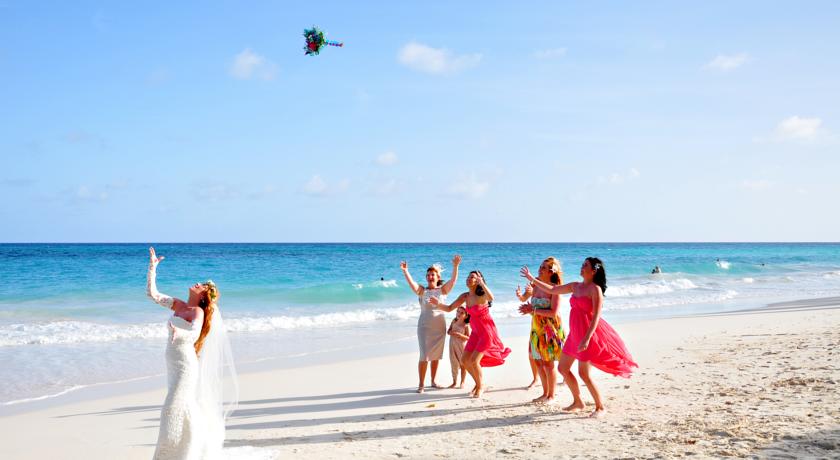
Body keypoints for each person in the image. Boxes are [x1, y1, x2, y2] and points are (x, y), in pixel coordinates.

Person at [146, 247, 238, 459]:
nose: (198, 284)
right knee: (184, 409)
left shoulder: (196, 312)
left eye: (202, 286)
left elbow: (194, 333)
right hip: (172, 363)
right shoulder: (178, 305)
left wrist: (178, 333)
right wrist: (153, 268)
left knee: (171, 409)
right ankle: (191, 452)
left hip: (186, 366)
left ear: (204, 296)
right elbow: (152, 295)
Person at [521, 257, 637, 417]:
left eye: (585, 266)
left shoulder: (595, 290)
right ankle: (578, 401)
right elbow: (553, 290)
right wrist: (532, 279)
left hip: (587, 335)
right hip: (574, 336)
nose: (582, 267)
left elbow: (596, 316)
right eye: (582, 264)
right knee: (563, 368)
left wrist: (587, 338)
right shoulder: (575, 286)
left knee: (584, 374)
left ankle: (600, 407)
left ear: (593, 271)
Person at [429, 270, 510, 398]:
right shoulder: (465, 296)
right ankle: (479, 383)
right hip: (475, 333)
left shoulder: (482, 296)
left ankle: (480, 386)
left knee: (474, 361)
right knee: (465, 361)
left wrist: (482, 284)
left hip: (486, 333)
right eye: (468, 276)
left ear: (478, 281)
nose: (468, 278)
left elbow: (491, 298)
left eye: (472, 277)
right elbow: (450, 308)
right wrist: (438, 304)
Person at [400, 255, 461, 393]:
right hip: (424, 327)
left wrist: (455, 266)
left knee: (436, 355)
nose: (430, 276)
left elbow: (453, 281)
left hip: (439, 326)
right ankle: (421, 384)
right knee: (424, 355)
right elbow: (412, 284)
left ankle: (433, 381)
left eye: (432, 274)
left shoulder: (443, 290)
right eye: (428, 275)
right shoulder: (422, 291)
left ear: (438, 277)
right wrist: (406, 271)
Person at [517, 257, 566, 405]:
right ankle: (544, 393)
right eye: (541, 266)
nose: (540, 269)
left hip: (550, 329)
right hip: (536, 328)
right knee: (538, 362)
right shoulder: (535, 284)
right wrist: (525, 304)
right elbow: (528, 301)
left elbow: (553, 312)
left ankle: (552, 396)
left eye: (544, 267)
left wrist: (533, 310)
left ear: (552, 272)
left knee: (548, 364)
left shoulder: (555, 288)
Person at [515, 283, 540, 389]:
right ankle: (536, 378)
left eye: (543, 267)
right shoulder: (534, 282)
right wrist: (520, 295)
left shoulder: (551, 285)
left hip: (550, 324)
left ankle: (564, 375)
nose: (540, 270)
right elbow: (524, 298)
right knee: (532, 355)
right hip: (536, 325)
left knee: (555, 353)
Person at [446, 306, 471, 389]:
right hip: (452, 345)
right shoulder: (454, 321)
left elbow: (469, 338)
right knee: (453, 363)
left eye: (462, 313)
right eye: (458, 311)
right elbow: (448, 331)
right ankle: (454, 382)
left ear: (466, 315)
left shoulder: (466, 325)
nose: (459, 314)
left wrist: (460, 335)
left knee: (462, 364)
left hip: (461, 346)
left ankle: (462, 382)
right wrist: (451, 332)